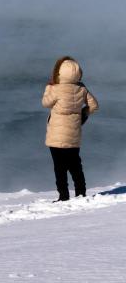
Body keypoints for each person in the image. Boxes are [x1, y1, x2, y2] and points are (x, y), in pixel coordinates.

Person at [42, 56, 99, 201]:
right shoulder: (82, 89)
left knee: (59, 167)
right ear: (78, 72)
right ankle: (81, 193)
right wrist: (83, 115)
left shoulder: (55, 89)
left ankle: (63, 196)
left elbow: (46, 103)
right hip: (74, 132)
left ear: (59, 72)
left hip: (56, 134)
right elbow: (94, 106)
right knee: (75, 164)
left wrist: (49, 88)